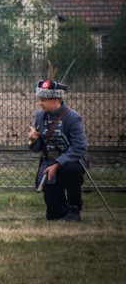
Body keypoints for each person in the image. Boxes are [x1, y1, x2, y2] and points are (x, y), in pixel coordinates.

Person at [29, 76, 88, 222]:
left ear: (55, 100)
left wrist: (58, 164)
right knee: (54, 215)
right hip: (49, 163)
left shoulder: (73, 118)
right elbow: (37, 148)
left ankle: (75, 208)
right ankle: (64, 208)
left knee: (71, 168)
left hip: (70, 162)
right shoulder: (40, 116)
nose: (40, 103)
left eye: (43, 100)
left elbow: (79, 148)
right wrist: (33, 140)